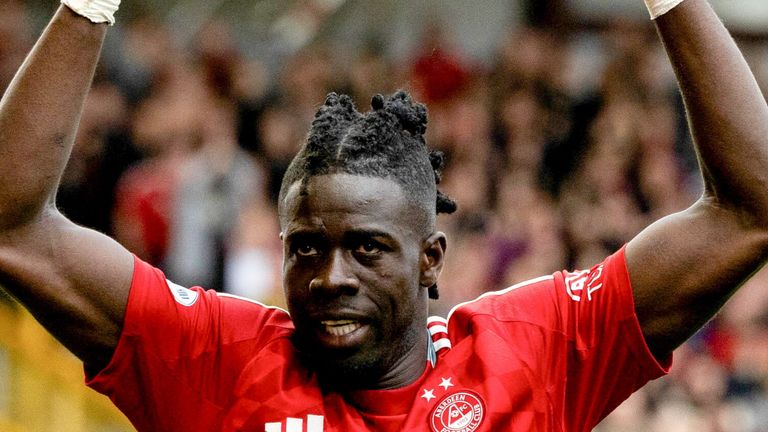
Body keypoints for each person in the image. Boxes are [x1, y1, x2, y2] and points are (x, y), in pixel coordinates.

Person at [0, 0, 766, 431]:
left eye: (367, 249)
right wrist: (85, 6)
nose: (329, 278)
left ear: (431, 256)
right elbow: (13, 227)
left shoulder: (529, 351)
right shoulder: (216, 357)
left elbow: (749, 210)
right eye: (305, 250)